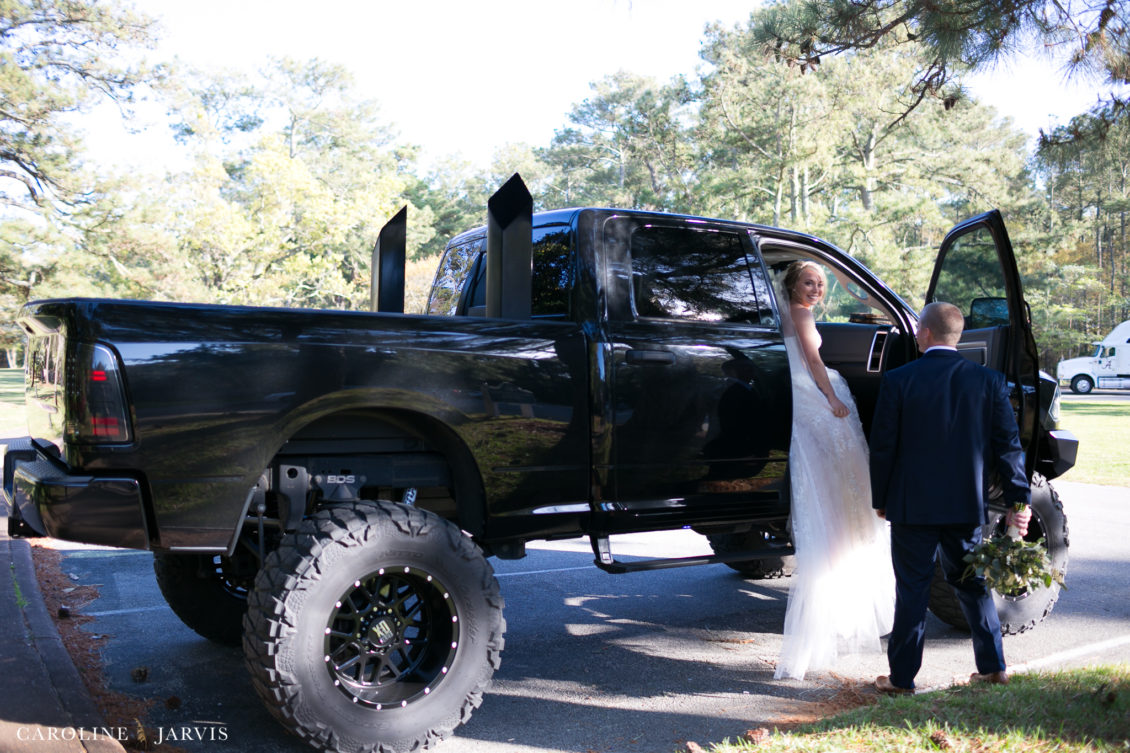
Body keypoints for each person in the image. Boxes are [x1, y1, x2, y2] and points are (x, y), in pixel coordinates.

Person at [869, 301, 1032, 694]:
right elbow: (1009, 447)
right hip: (964, 505)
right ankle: (994, 667)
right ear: (958, 337)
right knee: (970, 583)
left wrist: (881, 497)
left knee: (912, 589)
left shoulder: (898, 379)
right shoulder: (989, 381)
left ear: (924, 333)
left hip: (912, 505)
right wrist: (1019, 502)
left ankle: (902, 678)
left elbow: (883, 448)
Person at [774, 260, 895, 681]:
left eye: (821, 283)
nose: (816, 288)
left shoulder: (785, 311)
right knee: (846, 484)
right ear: (792, 285)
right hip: (807, 391)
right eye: (808, 281)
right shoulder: (801, 313)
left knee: (836, 485)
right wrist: (832, 399)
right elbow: (811, 361)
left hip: (788, 387)